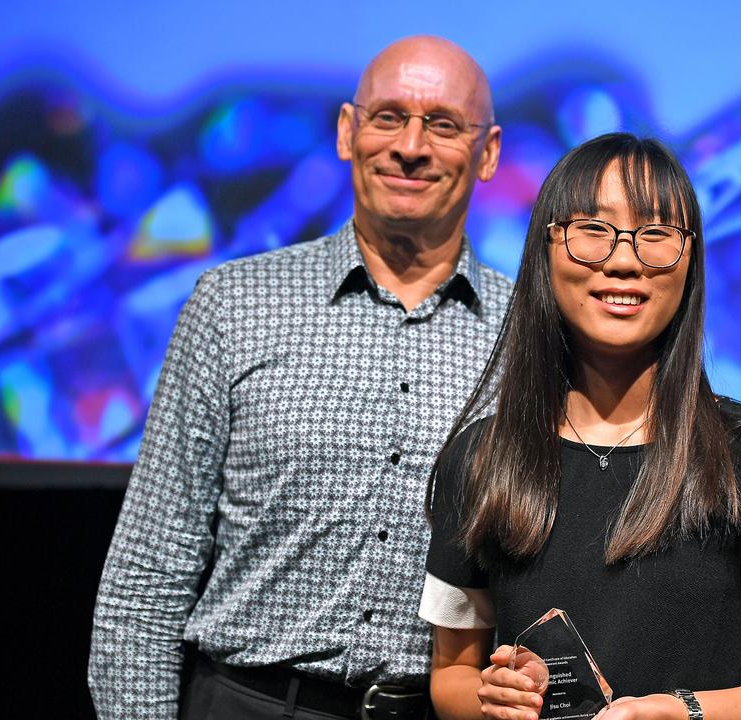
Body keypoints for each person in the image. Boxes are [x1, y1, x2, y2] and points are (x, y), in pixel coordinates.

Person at [89, 36, 511, 720]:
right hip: (249, 703)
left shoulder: (528, 336)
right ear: (348, 132)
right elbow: (147, 576)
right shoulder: (234, 305)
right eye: (387, 118)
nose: (410, 146)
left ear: (488, 152)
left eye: (442, 124)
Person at [420, 133, 741, 720]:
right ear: (546, 246)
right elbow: (451, 677)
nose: (623, 261)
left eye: (655, 235)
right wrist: (493, 699)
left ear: (689, 258)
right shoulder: (484, 458)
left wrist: (686, 713)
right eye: (592, 231)